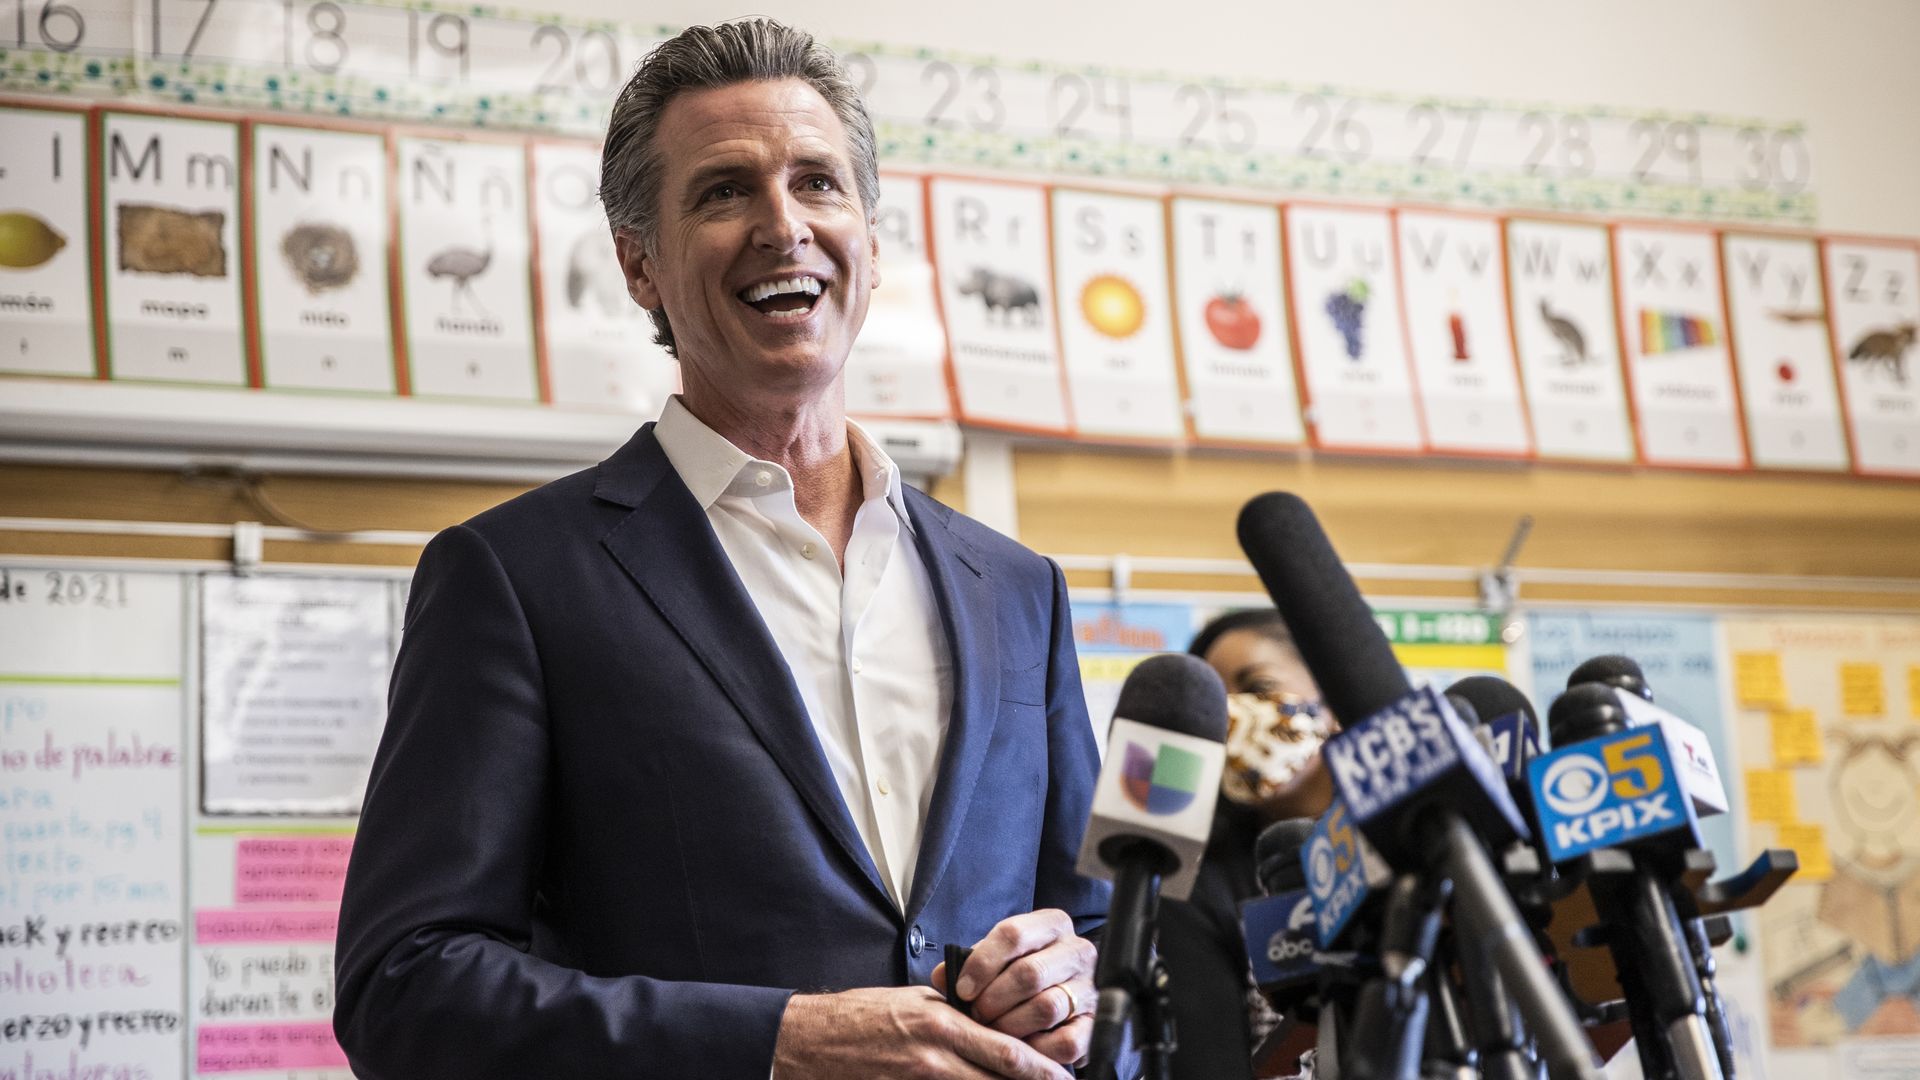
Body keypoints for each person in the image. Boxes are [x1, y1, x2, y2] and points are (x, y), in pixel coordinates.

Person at [333, 20, 1114, 1080]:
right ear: (639, 265)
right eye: (723, 192)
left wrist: (1076, 987)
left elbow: (1109, 941)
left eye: (818, 184)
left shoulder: (1017, 589)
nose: (782, 226)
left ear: (872, 244)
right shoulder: (516, 579)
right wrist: (780, 1043)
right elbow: (406, 988)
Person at [1156, 609, 1336, 1080]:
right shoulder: (1194, 882)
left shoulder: (1414, 839)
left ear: (1333, 693)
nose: (1233, 717)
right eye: (1217, 705)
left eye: (1256, 689)